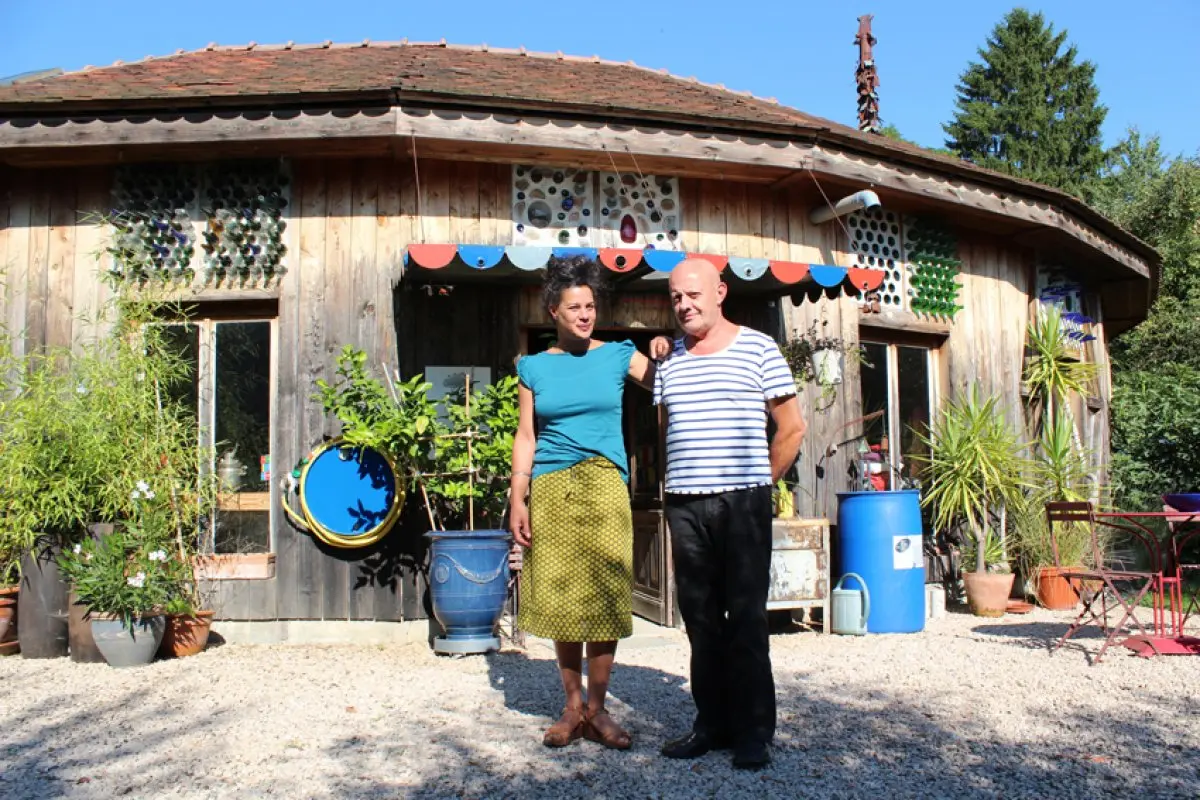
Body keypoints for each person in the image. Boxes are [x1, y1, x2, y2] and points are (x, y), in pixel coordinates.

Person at [509, 255, 667, 750]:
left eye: (591, 305)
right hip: (552, 489)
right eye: (574, 306)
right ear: (553, 311)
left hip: (604, 485)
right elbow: (526, 436)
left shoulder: (619, 354)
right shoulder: (532, 367)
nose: (585, 314)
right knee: (561, 597)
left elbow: (668, 381)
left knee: (603, 595)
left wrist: (667, 348)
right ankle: (571, 705)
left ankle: (597, 710)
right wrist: (518, 496)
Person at [653, 258, 806, 770]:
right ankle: (710, 724)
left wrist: (762, 485)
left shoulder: (759, 347)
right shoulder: (669, 358)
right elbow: (665, 426)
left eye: (693, 294)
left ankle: (754, 732)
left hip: (743, 502)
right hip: (685, 504)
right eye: (676, 297)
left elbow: (791, 428)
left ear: (720, 292)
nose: (684, 305)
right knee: (699, 621)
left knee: (745, 618)